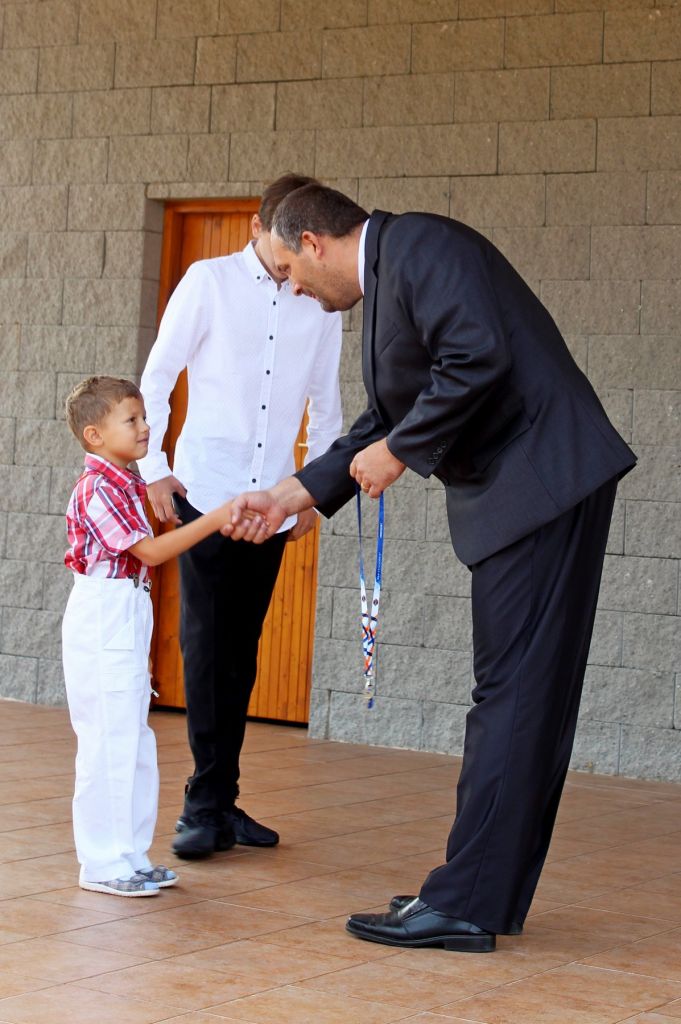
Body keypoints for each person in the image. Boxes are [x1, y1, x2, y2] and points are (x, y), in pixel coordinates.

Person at [224, 184, 637, 952]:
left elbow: (476, 355)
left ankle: (466, 902)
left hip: (540, 484)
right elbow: (385, 418)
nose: (294, 289)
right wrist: (290, 494)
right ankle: (481, 894)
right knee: (518, 698)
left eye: (288, 271)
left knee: (511, 698)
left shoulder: (421, 245)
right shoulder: (392, 270)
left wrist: (401, 451)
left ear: (312, 242)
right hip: (530, 490)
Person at [138, 174, 343, 860]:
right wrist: (153, 468)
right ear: (259, 229)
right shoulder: (208, 281)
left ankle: (222, 799)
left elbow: (326, 402)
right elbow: (158, 376)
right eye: (284, 252)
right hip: (207, 495)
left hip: (275, 505)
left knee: (242, 653)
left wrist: (315, 491)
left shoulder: (320, 302)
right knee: (205, 649)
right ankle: (201, 807)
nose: (291, 269)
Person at [62, 376, 244, 896]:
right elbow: (151, 552)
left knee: (133, 740)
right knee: (106, 742)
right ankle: (102, 863)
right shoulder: (97, 487)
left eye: (144, 417)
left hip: (126, 608)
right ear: (95, 434)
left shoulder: (123, 481)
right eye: (132, 420)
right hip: (104, 612)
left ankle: (129, 855)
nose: (145, 427)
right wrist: (217, 518)